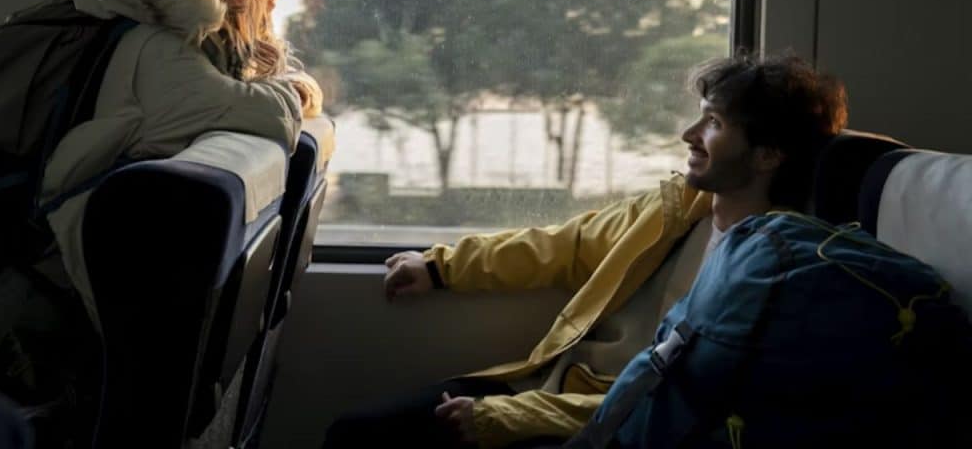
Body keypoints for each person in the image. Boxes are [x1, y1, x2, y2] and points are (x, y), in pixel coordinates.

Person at [323, 53, 847, 449]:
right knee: (354, 433)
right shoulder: (678, 208)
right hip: (549, 384)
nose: (688, 134)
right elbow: (569, 244)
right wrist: (442, 268)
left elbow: (676, 397)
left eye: (714, 123)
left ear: (770, 154)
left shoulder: (774, 274)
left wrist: (513, 418)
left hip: (615, 425)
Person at [0, 0, 324, 395]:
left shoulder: (169, 37)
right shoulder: (155, 48)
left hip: (63, 309)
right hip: (38, 336)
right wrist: (297, 88)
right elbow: (273, 118)